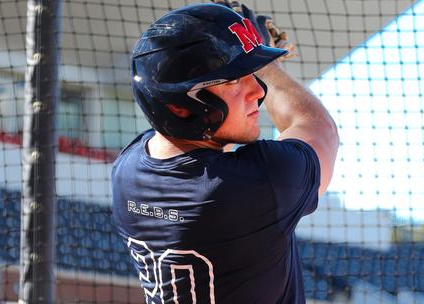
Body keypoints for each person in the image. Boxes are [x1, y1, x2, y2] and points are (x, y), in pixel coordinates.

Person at [112, 2, 339, 303]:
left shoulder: (127, 171)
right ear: (180, 107)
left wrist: (236, 50)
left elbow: (203, 155)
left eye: (251, 74)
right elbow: (319, 129)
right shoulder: (262, 182)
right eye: (234, 80)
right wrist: (269, 67)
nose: (258, 91)